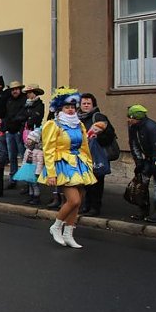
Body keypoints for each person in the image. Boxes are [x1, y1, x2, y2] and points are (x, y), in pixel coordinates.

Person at [38, 88, 96, 249]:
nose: (70, 110)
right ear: (60, 109)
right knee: (73, 200)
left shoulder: (79, 125)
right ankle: (56, 226)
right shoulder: (53, 125)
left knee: (78, 202)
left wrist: (88, 165)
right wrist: (51, 173)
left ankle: (68, 234)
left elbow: (84, 146)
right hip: (63, 164)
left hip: (79, 163)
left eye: (72, 107)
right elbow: (48, 149)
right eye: (66, 107)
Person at [127, 104, 156, 222]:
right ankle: (143, 209)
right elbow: (134, 144)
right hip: (147, 159)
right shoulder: (134, 127)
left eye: (130, 117)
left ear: (137, 118)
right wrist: (138, 161)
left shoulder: (152, 127)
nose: (128, 120)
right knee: (142, 184)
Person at [78, 93, 116, 217]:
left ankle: (95, 207)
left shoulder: (98, 117)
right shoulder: (78, 118)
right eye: (84, 103)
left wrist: (97, 138)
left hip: (97, 155)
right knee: (86, 182)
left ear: (93, 104)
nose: (86, 105)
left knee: (97, 182)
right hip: (84, 155)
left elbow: (110, 134)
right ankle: (86, 205)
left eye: (88, 103)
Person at [3, 81, 27, 187]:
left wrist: (15, 121)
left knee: (24, 156)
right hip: (10, 131)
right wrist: (6, 128)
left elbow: (23, 115)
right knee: (12, 157)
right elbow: (6, 115)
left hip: (19, 132)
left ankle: (27, 181)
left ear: (20, 89)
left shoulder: (24, 100)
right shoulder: (9, 101)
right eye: (13, 90)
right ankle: (13, 179)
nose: (15, 91)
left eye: (16, 89)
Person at [18, 129, 44, 205]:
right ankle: (31, 196)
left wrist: (38, 172)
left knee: (34, 184)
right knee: (29, 184)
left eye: (30, 139)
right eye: (28, 139)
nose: (28, 141)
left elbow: (40, 162)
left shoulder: (39, 152)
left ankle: (36, 197)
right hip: (28, 168)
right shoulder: (27, 150)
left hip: (34, 169)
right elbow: (24, 160)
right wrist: (23, 167)